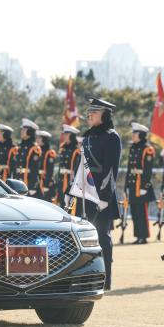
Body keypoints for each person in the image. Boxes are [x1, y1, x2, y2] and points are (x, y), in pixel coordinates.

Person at [68, 98, 122, 291]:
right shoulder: (89, 136)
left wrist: (105, 197)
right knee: (84, 237)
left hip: (101, 196)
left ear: (104, 114)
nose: (89, 114)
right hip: (84, 196)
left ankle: (105, 279)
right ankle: (87, 277)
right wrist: (71, 192)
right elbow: (80, 167)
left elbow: (110, 170)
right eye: (89, 111)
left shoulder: (111, 137)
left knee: (102, 237)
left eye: (94, 111)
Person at [124, 122, 156, 244]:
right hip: (133, 185)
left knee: (142, 213)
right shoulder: (133, 148)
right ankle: (138, 235)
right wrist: (126, 185)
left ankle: (144, 236)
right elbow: (130, 169)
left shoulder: (147, 149)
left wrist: (144, 186)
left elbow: (148, 170)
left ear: (141, 135)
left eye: (135, 133)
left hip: (141, 186)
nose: (133, 135)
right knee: (135, 212)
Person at [12, 119, 42, 196]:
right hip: (18, 181)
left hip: (28, 182)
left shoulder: (34, 148)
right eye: (22, 129)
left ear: (30, 132)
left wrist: (32, 186)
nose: (21, 131)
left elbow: (34, 169)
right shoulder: (20, 146)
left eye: (24, 129)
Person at [56, 125, 80, 208]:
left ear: (71, 135)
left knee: (69, 204)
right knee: (61, 202)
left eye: (66, 134)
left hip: (70, 180)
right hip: (61, 179)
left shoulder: (76, 150)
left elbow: (76, 168)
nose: (64, 136)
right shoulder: (63, 148)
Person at [36, 130, 57, 202]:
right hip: (38, 180)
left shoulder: (50, 153)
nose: (37, 140)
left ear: (44, 139)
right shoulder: (37, 151)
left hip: (45, 181)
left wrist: (47, 183)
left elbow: (50, 170)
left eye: (39, 138)